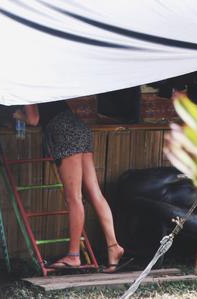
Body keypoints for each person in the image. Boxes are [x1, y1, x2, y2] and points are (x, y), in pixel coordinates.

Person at [13, 101, 127, 272]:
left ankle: (73, 256)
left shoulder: (26, 87)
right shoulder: (46, 82)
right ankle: (114, 246)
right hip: (79, 128)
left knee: (73, 197)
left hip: (64, 132)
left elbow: (34, 119)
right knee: (94, 193)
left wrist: (18, 115)